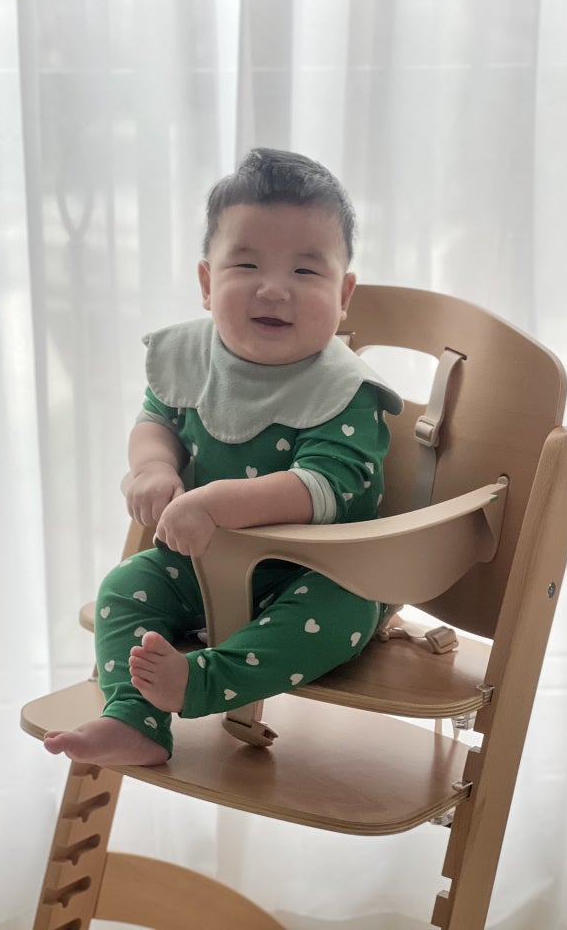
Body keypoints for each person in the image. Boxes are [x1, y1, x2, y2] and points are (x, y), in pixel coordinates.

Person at [44, 147, 403, 766]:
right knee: (124, 589)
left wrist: (213, 503)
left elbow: (322, 487)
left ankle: (202, 682)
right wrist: (153, 466)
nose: (274, 288)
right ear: (208, 283)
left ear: (344, 294)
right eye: (247, 264)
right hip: (203, 566)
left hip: (312, 573)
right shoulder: (189, 358)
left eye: (306, 271)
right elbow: (156, 420)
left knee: (344, 613)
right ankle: (133, 718)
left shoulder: (345, 390)